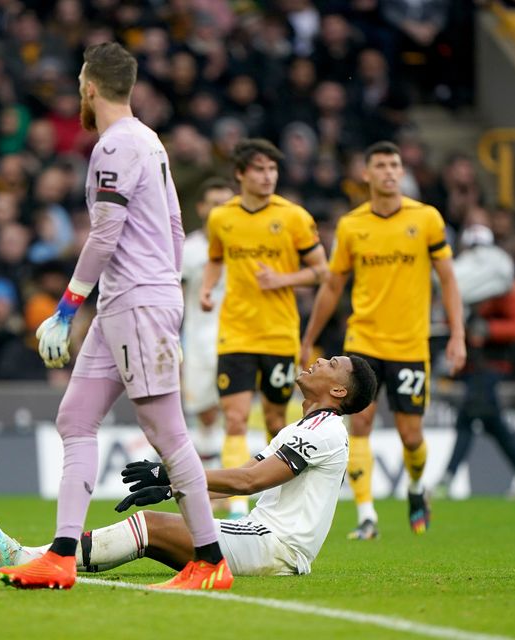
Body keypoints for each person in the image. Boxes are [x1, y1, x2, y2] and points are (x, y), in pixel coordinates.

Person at [0, 42, 230, 592]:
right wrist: (161, 286)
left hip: (135, 302)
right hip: (130, 300)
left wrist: (66, 308)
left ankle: (210, 559)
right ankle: (60, 554)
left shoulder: (113, 147)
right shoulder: (150, 142)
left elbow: (105, 234)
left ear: (89, 87)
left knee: (166, 432)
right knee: (75, 418)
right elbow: (174, 226)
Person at [0, 355, 378, 578]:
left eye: (332, 363)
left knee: (151, 527)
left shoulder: (325, 431)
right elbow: (238, 477)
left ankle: (27, 558)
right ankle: (34, 556)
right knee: (155, 528)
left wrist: (170, 473)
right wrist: (174, 488)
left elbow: (250, 481)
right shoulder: (304, 426)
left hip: (275, 547)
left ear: (338, 390)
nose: (320, 359)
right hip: (261, 536)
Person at [300, 141, 466, 540]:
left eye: (395, 164)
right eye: (381, 165)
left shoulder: (426, 218)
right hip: (364, 342)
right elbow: (333, 285)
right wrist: (309, 338)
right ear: (367, 174)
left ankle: (414, 487)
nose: (390, 171)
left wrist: (457, 334)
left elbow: (447, 278)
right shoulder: (352, 225)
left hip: (410, 344)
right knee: (361, 424)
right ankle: (366, 516)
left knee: (412, 436)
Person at [200, 138, 328, 519]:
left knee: (275, 419)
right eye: (259, 169)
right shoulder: (221, 218)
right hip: (235, 333)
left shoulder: (294, 217)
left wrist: (283, 279)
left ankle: (280, 496)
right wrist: (207, 288)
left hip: (278, 335)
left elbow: (322, 270)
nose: (268, 176)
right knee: (235, 418)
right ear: (240, 174)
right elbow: (215, 259)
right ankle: (238, 506)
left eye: (272, 169)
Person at [433, 220, 515, 500]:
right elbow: (451, 317)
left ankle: (447, 479)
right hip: (470, 363)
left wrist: (489, 329)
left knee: (468, 417)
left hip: (495, 363)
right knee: (490, 421)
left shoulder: (507, 285)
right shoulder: (461, 284)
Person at [180, 177, 235, 463]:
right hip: (198, 341)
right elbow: (175, 296)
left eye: (227, 204)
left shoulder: (245, 246)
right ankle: (210, 486)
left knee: (235, 412)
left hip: (239, 338)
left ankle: (233, 483)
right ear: (202, 208)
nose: (221, 209)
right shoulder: (189, 248)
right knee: (205, 413)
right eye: (215, 204)